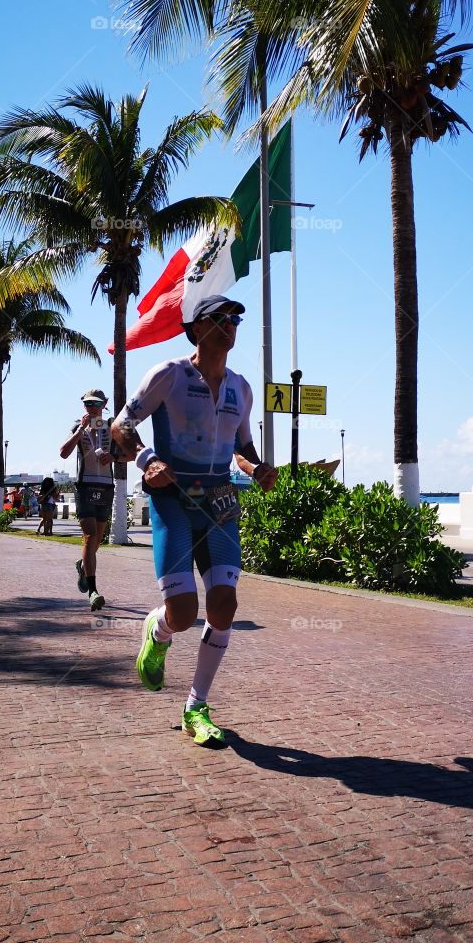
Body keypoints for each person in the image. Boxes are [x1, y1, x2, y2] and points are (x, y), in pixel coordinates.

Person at [111, 295, 277, 747]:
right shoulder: (169, 374)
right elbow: (121, 426)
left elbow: (242, 446)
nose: (230, 325)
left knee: (224, 607)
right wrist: (148, 460)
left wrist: (256, 469)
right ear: (195, 329)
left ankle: (195, 706)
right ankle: (158, 629)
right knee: (184, 613)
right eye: (219, 318)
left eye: (235, 318)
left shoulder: (240, 388)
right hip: (173, 498)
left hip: (219, 502)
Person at [60, 388, 114, 612]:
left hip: (106, 486)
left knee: (96, 541)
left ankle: (83, 566)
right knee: (89, 536)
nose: (91, 408)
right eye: (87, 404)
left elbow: (127, 453)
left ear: (104, 404)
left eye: (96, 403)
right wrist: (81, 428)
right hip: (85, 485)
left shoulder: (112, 426)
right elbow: (63, 452)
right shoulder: (78, 427)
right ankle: (93, 591)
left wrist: (115, 456)